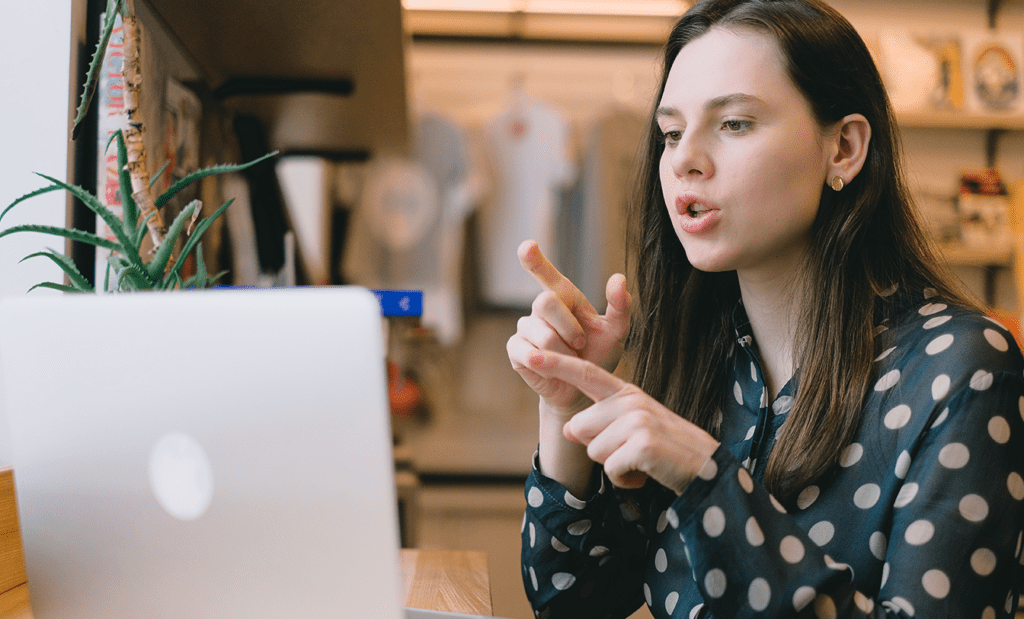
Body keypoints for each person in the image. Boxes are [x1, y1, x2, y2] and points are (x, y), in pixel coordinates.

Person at [505, 0, 1024, 617]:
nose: (684, 160)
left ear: (844, 148)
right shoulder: (700, 357)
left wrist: (708, 480)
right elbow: (574, 603)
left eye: (734, 124)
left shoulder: (964, 370)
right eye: (672, 132)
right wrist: (562, 400)